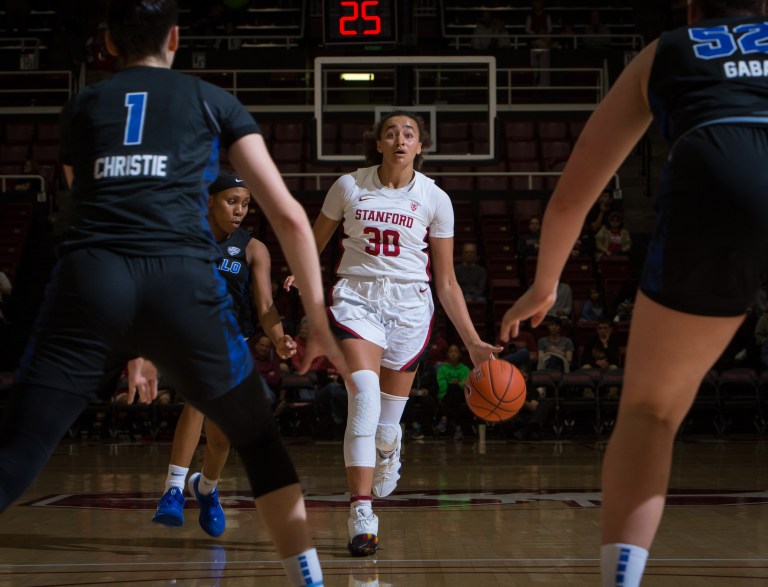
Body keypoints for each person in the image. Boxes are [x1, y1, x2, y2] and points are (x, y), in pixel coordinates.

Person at [0, 3, 350, 586]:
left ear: (108, 42)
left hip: (91, 277)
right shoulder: (211, 100)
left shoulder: (82, 107)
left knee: (20, 446)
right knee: (260, 440)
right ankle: (308, 579)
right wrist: (317, 319)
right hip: (181, 277)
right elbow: (288, 216)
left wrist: (133, 342)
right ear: (176, 39)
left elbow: (91, 205)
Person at [500, 2, 768, 585]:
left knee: (649, 413)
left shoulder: (669, 49)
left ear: (694, 8)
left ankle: (621, 578)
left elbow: (573, 197)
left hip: (721, 175)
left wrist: (545, 286)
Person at [285, 109, 501, 556]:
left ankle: (389, 445)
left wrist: (474, 341)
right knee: (362, 394)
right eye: (391, 132)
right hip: (357, 298)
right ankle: (361, 512)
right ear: (378, 142)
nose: (400, 139)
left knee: (385, 425)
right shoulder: (349, 186)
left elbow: (446, 281)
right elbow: (315, 238)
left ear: (420, 146)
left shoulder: (435, 199)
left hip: (409, 306)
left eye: (410, 133)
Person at [151, 173, 296, 538]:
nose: (239, 210)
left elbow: (265, 307)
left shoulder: (253, 249)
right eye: (232, 201)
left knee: (220, 438)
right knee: (197, 401)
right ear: (210, 201)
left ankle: (207, 489)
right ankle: (173, 491)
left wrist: (279, 338)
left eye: (245, 204)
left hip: (235, 344)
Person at [434, 343, 472, 440]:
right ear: (447, 354)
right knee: (453, 390)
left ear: (459, 354)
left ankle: (444, 418)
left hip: (461, 395)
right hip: (445, 395)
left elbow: (466, 386)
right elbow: (442, 385)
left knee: (455, 391)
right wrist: (458, 383)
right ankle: (458, 428)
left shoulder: (465, 369)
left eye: (456, 351)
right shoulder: (442, 369)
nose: (453, 354)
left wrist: (457, 384)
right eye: (451, 352)